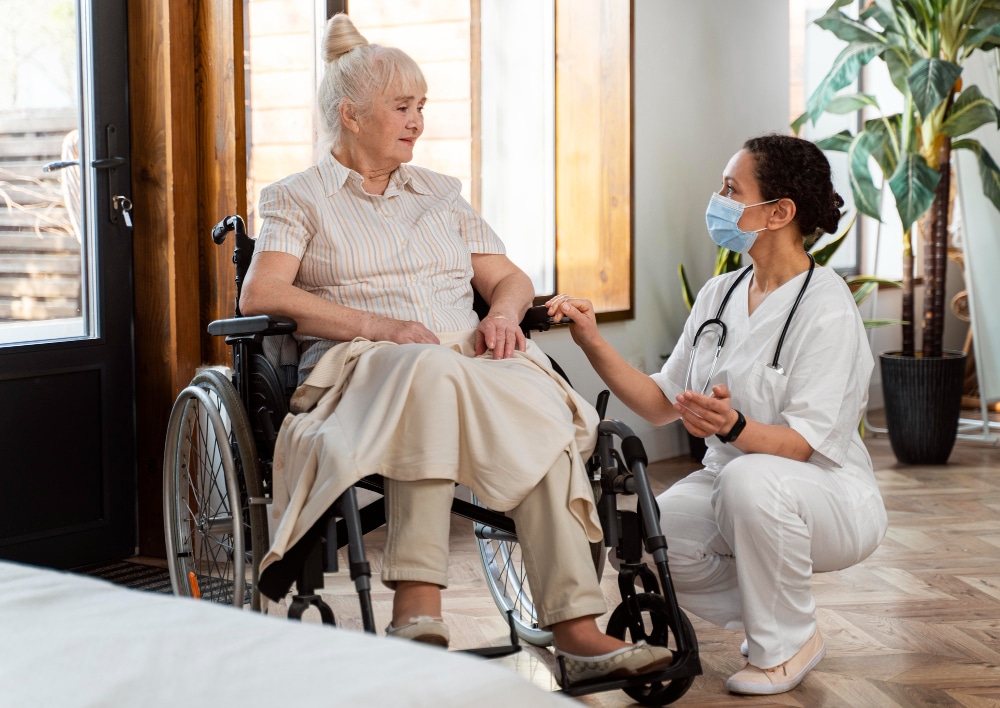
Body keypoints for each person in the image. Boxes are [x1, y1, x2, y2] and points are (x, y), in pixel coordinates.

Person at [240, 13, 673, 684]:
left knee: (539, 401)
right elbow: (261, 292)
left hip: (465, 356)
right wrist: (379, 327)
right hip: (365, 365)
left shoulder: (441, 194)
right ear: (351, 116)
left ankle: (576, 627)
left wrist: (502, 314)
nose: (417, 120)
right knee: (430, 368)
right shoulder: (298, 197)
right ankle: (418, 602)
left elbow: (506, 278)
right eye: (402, 107)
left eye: (422, 107)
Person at [546, 134, 888, 695]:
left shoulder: (827, 305)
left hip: (827, 493)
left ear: (779, 212)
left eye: (732, 189)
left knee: (748, 479)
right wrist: (591, 341)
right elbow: (660, 403)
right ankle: (773, 613)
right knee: (648, 540)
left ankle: (788, 642)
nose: (718, 200)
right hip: (727, 482)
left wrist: (732, 427)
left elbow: (804, 444)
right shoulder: (720, 294)